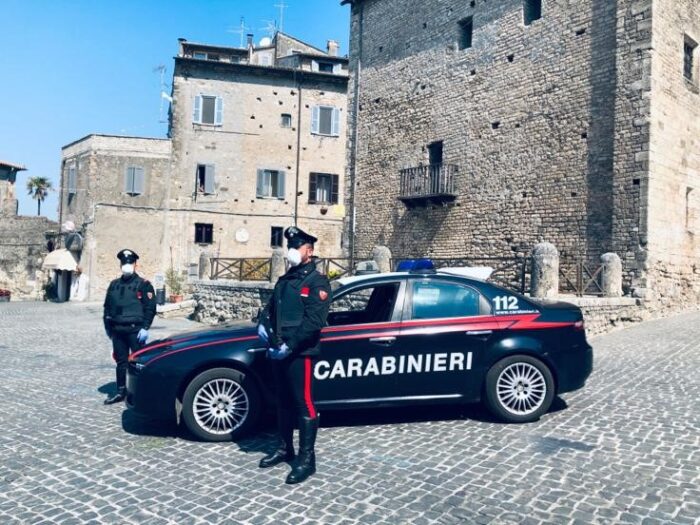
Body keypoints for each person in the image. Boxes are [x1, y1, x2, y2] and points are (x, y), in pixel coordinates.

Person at [257, 226, 332, 484]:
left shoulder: (317, 282)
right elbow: (268, 310)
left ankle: (307, 460)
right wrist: (263, 327)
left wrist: (290, 346)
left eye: (295, 247)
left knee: (304, 403)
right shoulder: (285, 280)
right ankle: (283, 448)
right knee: (283, 401)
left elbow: (314, 322)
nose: (291, 252)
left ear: (309, 251)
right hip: (278, 350)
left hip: (301, 353)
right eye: (289, 247)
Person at [103, 249, 157, 405]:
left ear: (135, 264)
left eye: (130, 262)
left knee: (139, 363)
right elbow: (107, 308)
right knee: (121, 363)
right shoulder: (114, 285)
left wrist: (145, 327)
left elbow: (150, 307)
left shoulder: (143, 285)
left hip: (136, 331)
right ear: (121, 264)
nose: (127, 265)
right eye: (124, 263)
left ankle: (142, 391)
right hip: (118, 331)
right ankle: (121, 391)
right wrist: (109, 329)